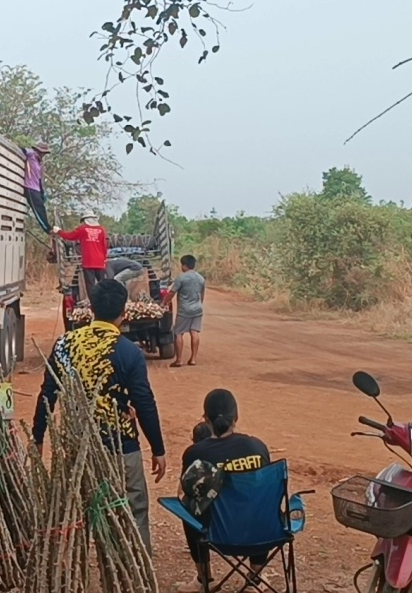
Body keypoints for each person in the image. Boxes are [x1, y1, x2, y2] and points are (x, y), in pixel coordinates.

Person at [32, 280, 167, 553]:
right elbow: (144, 402)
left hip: (77, 443)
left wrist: (38, 437)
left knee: (78, 507)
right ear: (124, 315)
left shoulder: (63, 345)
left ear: (91, 310)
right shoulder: (129, 351)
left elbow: (48, 393)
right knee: (133, 506)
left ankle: (75, 567)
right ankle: (135, 566)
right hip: (121, 447)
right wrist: (157, 448)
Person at [177, 389, 271, 593]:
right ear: (236, 417)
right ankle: (255, 576)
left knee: (187, 504)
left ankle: (205, 579)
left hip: (215, 533)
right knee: (261, 503)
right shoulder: (257, 447)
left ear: (205, 418)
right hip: (259, 533)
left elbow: (186, 490)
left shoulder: (196, 453)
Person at [164, 254, 206, 368]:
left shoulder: (181, 278)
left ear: (184, 265)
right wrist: (198, 305)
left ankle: (179, 360)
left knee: (178, 333)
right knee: (195, 332)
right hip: (197, 309)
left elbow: (172, 293)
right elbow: (202, 296)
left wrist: (163, 303)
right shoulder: (201, 278)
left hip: (184, 310)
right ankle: (193, 359)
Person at [54, 213, 108, 293]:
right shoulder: (102, 230)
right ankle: (105, 301)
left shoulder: (82, 229)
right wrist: (104, 259)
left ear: (85, 220)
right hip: (100, 262)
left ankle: (93, 303)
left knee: (90, 285)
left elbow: (70, 236)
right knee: (103, 284)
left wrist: (58, 231)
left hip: (88, 262)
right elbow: (105, 245)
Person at [24, 142, 52, 233]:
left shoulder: (39, 163)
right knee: (37, 209)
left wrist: (42, 192)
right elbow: (22, 150)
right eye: (42, 152)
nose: (43, 155)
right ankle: (47, 229)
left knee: (42, 207)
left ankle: (48, 226)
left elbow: (39, 179)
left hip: (36, 188)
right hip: (30, 187)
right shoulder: (31, 154)